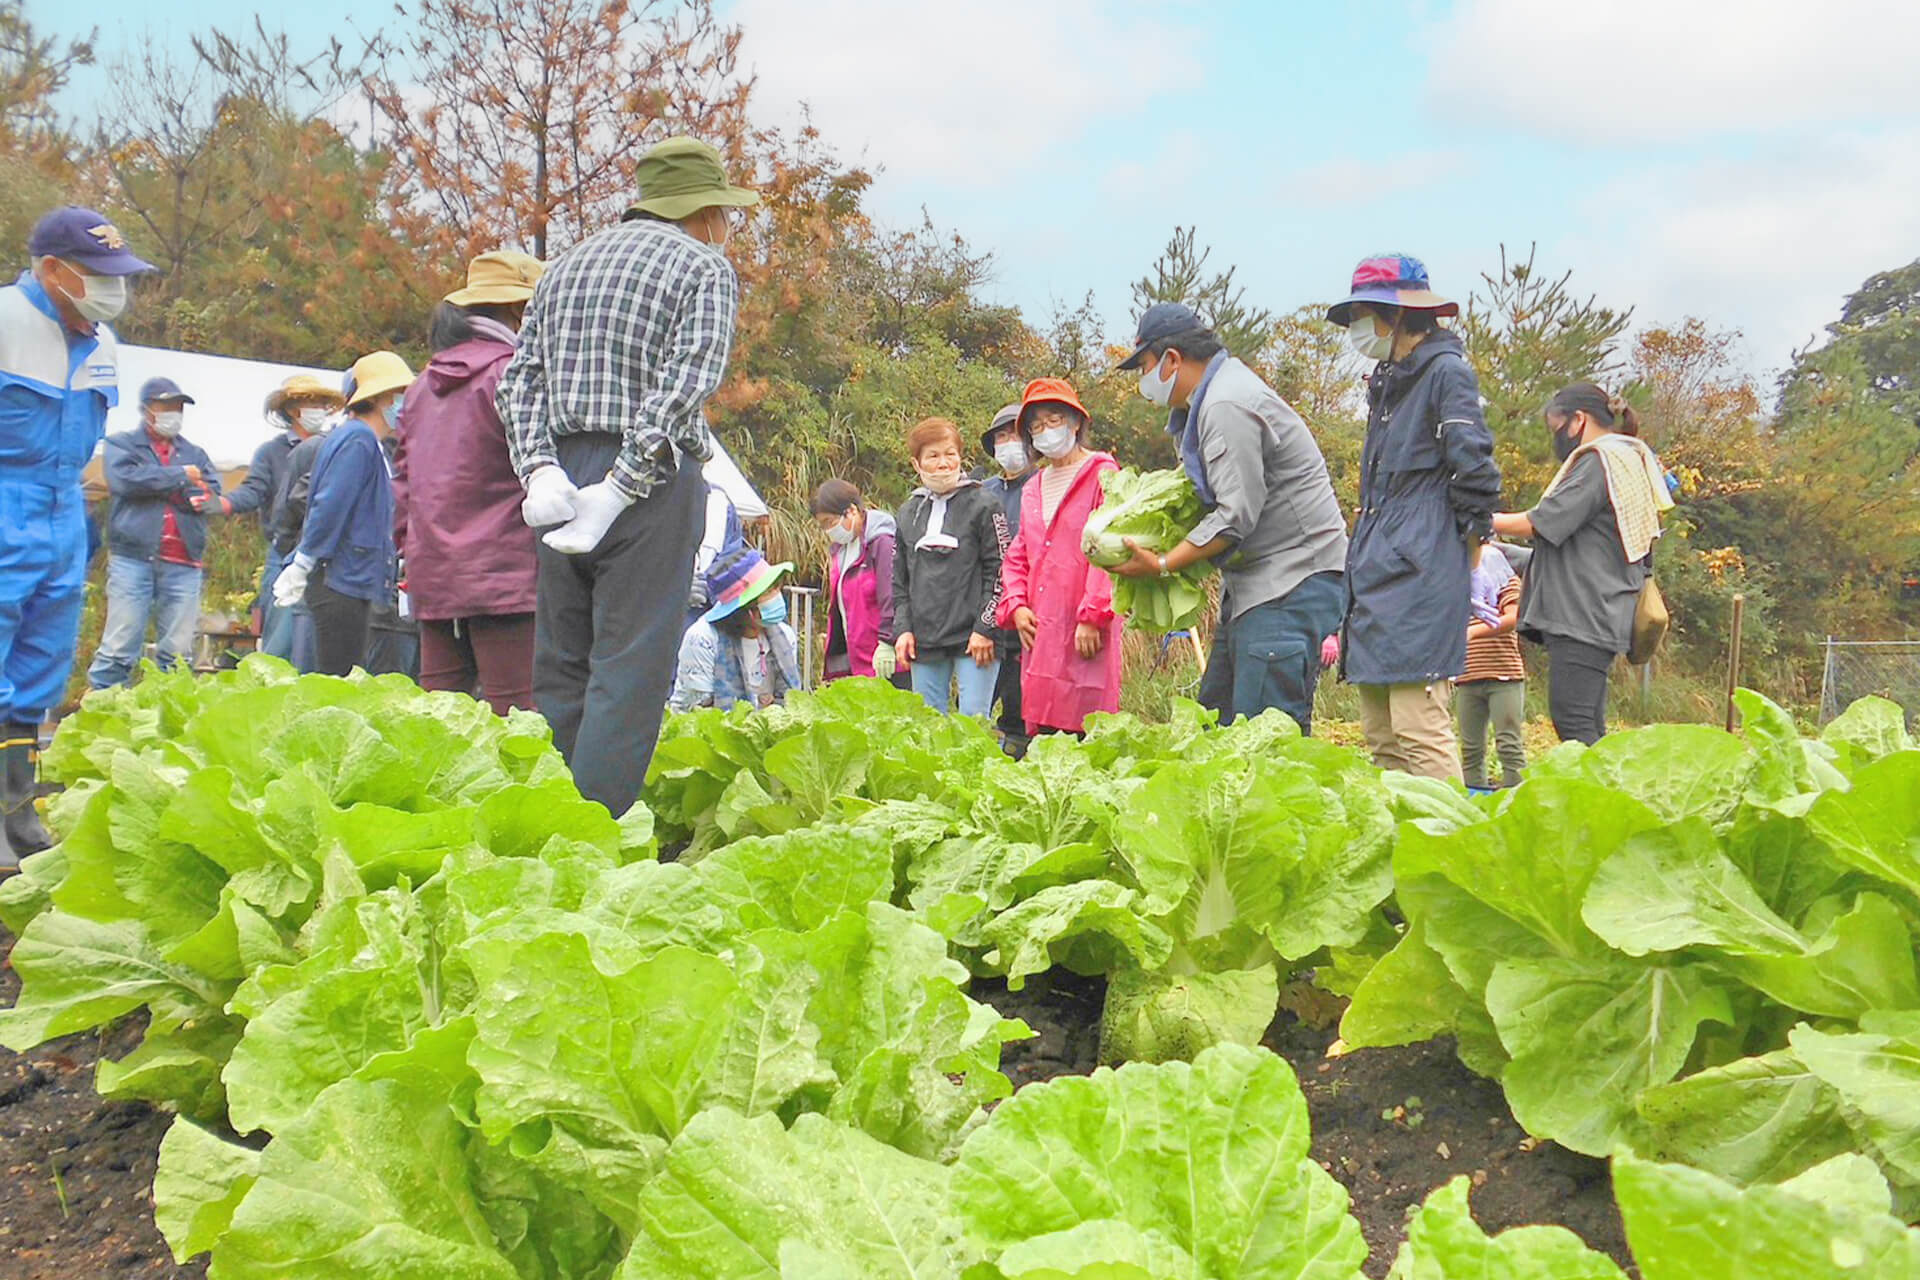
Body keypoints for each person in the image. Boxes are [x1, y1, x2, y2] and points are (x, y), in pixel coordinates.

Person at [497, 135, 757, 818]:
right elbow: (682, 386)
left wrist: (538, 468)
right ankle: (591, 840)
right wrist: (621, 485)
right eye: (723, 212)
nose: (726, 227)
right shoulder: (702, 268)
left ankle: (539, 830)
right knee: (630, 670)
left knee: (560, 666)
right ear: (702, 210)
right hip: (646, 482)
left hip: (561, 474)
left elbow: (519, 379)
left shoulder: (562, 268)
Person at [1109, 303, 1349, 732]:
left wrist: (1162, 564)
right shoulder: (1202, 405)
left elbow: (1235, 514)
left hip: (1290, 580)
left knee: (1264, 733)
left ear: (1172, 359)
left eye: (1145, 366)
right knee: (1218, 720)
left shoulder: (1226, 403)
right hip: (1257, 583)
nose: (1144, 382)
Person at [0, 206, 154, 867]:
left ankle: (16, 810)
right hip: (5, 496)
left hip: (64, 507)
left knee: (42, 664)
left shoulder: (104, 343)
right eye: (97, 274)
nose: (111, 289)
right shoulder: (6, 321)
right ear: (52, 269)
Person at [1328, 253, 1501, 781]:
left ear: (1399, 314)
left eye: (1364, 313)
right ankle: (1402, 846)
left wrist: (1466, 550)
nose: (1359, 327)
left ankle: (1449, 850)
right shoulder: (1388, 382)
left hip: (1421, 563)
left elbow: (1475, 468)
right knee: (1380, 732)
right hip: (1380, 559)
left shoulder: (1446, 373)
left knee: (1417, 725)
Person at [393, 250, 545, 714]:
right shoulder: (515, 374)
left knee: (441, 722)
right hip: (507, 575)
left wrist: (415, 555)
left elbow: (403, 486)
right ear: (521, 310)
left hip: (435, 577)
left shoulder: (421, 386)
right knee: (516, 717)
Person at [1493, 383, 1671, 744]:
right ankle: (1607, 794)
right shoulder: (1627, 459)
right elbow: (1586, 552)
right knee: (1587, 722)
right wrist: (1501, 551)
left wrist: (1481, 519)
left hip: (1583, 614)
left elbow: (1543, 521)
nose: (1555, 437)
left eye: (1555, 427)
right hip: (1601, 609)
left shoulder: (1599, 460)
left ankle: (1602, 798)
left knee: (1573, 722)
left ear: (1578, 420)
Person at [995, 378, 1122, 737]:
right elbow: (1018, 554)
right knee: (1045, 723)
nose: (1045, 432)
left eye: (1053, 421)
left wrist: (1093, 616)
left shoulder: (1102, 473)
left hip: (1083, 625)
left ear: (1075, 422)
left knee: (1087, 722)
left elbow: (1109, 547)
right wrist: (1017, 605)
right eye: (1036, 427)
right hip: (1041, 625)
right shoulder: (1034, 485)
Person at [273, 352, 412, 677]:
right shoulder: (357, 440)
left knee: (343, 675)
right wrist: (304, 560)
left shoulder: (363, 441)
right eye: (399, 393)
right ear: (380, 398)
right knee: (339, 678)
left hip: (350, 576)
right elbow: (330, 505)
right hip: (341, 578)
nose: (404, 402)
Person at [88, 377, 230, 688]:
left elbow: (211, 497)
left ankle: (164, 723)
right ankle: (103, 717)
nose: (173, 413)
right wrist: (179, 477)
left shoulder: (195, 453)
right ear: (146, 409)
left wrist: (174, 484)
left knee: (178, 656)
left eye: (178, 407)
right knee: (119, 648)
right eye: (166, 406)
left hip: (184, 563)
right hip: (133, 559)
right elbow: (124, 482)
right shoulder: (121, 444)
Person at [893, 417, 1008, 718]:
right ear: (916, 464)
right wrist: (903, 629)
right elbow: (900, 581)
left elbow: (1000, 570)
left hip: (974, 639)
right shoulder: (908, 513)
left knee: (974, 723)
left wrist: (985, 628)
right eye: (933, 456)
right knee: (928, 727)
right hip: (925, 640)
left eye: (950, 453)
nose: (943, 463)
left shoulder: (985, 504)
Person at [232, 375, 345, 660]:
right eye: (309, 403)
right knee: (279, 643)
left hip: (326, 552)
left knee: (320, 640)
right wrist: (226, 503)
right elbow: (254, 490)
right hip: (284, 550)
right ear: (292, 410)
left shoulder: (336, 445)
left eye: (321, 403)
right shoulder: (272, 452)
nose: (317, 409)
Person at [670, 546, 800, 711]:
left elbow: (790, 701)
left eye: (776, 587)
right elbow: (698, 711)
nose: (777, 596)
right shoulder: (703, 639)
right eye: (768, 592)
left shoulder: (784, 636)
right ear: (746, 608)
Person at [811, 478, 903, 685]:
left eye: (830, 522)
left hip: (886, 658)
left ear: (851, 511)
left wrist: (887, 641)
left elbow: (892, 594)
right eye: (823, 525)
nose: (828, 530)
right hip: (858, 660)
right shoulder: (841, 551)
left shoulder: (882, 543)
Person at [980, 402, 1032, 752]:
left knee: (1019, 710)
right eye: (1001, 436)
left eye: (1014, 433)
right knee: (974, 707)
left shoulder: (1044, 487)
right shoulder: (983, 492)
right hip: (987, 613)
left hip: (1028, 613)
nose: (1008, 442)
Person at [1456, 541, 1527, 788]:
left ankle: (1516, 798)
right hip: (1466, 676)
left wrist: (1475, 632)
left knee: (1508, 743)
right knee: (1471, 748)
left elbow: (1513, 617)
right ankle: (1474, 800)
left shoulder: (1504, 578)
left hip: (1503, 674)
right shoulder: (1455, 583)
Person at [689, 482, 748, 620]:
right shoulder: (650, 492)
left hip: (706, 614)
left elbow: (730, 561)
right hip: (656, 617)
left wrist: (708, 587)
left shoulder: (719, 501)